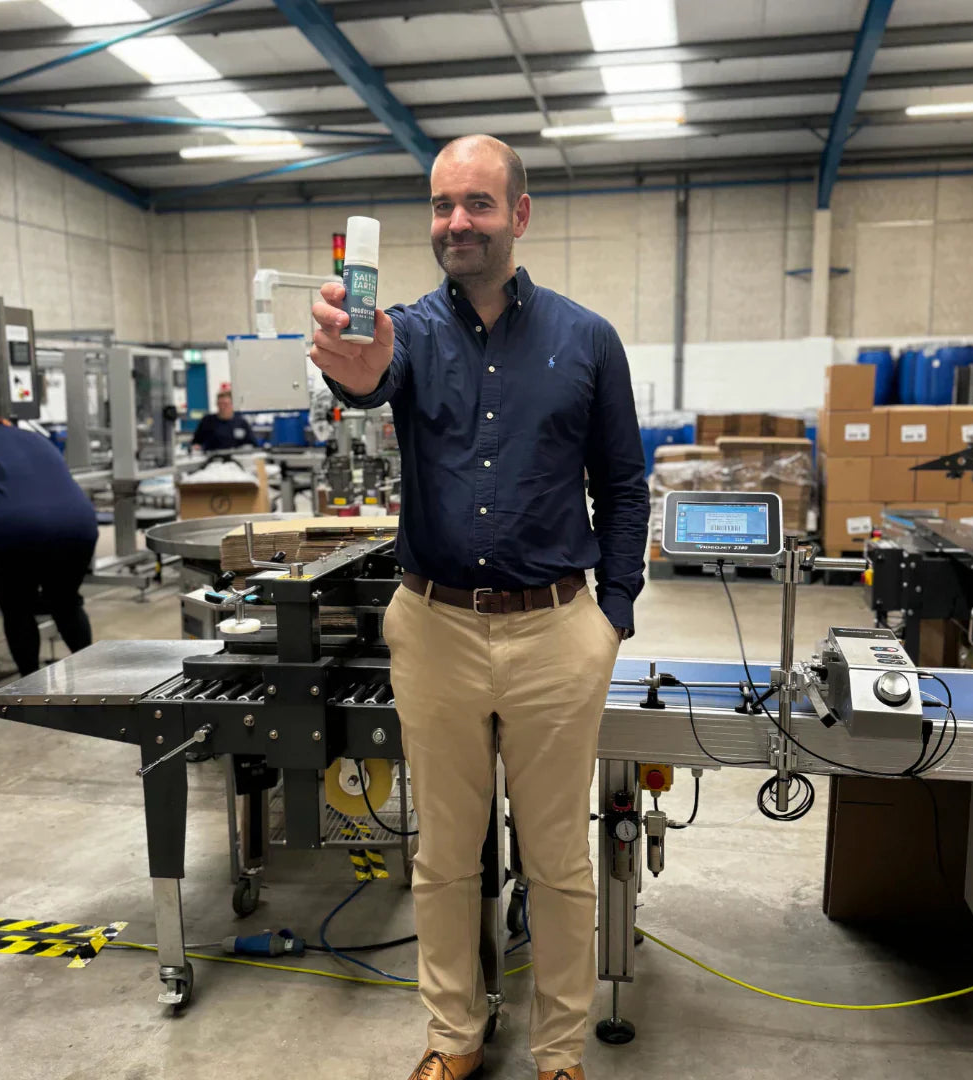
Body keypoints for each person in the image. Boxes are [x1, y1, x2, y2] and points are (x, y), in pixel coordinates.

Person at [309, 135, 649, 1080]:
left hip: (556, 631)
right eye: (443, 205)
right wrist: (346, 359)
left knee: (560, 863)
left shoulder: (588, 340)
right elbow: (364, 378)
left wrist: (609, 616)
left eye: (478, 204)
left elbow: (625, 487)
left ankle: (558, 1052)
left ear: (520, 214)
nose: (457, 222)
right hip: (436, 628)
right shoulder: (406, 331)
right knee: (445, 857)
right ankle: (453, 1040)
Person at [0, 419, 98, 676]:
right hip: (79, 523)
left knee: (18, 608)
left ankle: (29, 684)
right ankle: (91, 677)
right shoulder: (36, 438)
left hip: (19, 530)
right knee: (65, 603)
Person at [191, 389, 255, 452]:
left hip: (236, 458)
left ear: (232, 405)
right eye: (220, 404)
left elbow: (252, 443)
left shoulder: (241, 423)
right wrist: (196, 447)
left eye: (225, 404)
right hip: (212, 458)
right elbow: (196, 442)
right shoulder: (207, 421)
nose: (222, 407)